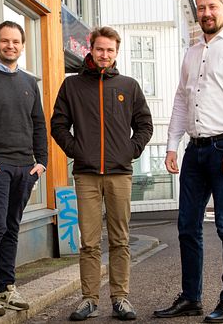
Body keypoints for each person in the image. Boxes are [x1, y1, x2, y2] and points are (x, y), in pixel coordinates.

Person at [153, 0, 223, 323]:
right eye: (201, 8)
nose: (206, 13)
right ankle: (191, 298)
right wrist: (172, 145)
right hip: (194, 153)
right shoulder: (190, 53)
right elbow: (182, 101)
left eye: (212, 6)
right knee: (187, 227)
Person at [51, 26, 153, 321]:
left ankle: (120, 298)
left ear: (116, 53)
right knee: (89, 242)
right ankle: (89, 299)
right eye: (99, 49)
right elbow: (58, 124)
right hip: (86, 174)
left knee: (120, 239)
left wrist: (130, 150)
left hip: (120, 173)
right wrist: (76, 150)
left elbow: (145, 125)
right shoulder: (72, 86)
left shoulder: (128, 86)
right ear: (90, 49)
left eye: (110, 50)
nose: (104, 54)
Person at [0, 21, 48, 316]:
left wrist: (41, 162)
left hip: (25, 168)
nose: (10, 46)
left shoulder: (29, 83)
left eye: (15, 42)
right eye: (5, 41)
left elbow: (38, 123)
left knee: (12, 227)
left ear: (22, 46)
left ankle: (5, 287)